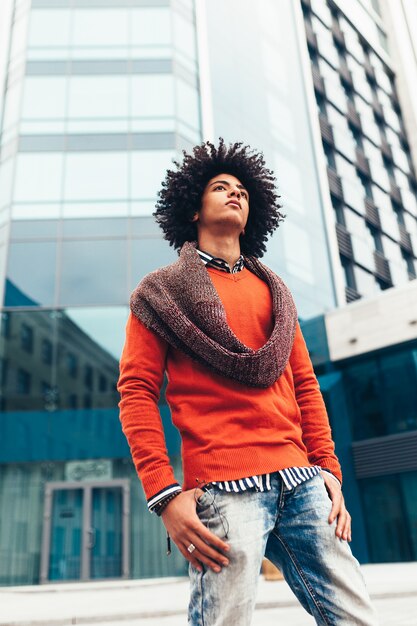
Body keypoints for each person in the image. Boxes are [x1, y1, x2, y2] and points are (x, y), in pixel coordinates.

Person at [117, 139, 378, 625]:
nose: (235, 193)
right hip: (223, 487)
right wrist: (166, 495)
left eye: (242, 188)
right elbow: (135, 394)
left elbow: (305, 386)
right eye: (220, 187)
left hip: (302, 483)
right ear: (194, 207)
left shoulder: (277, 293)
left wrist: (330, 472)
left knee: (357, 617)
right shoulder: (160, 294)